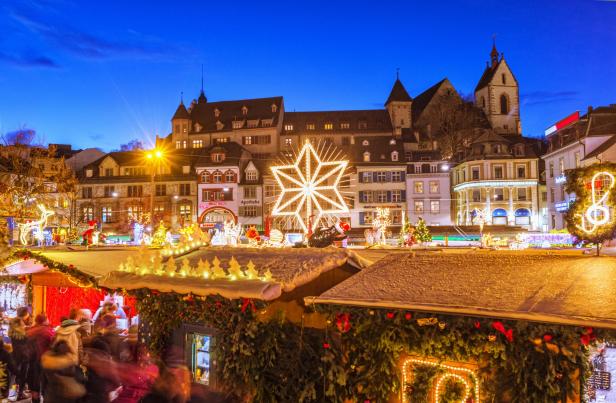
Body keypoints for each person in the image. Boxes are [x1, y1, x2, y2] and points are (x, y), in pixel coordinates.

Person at [27, 313, 55, 403]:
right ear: (45, 320)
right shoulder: (48, 331)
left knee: (34, 385)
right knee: (45, 384)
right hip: (44, 360)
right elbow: (54, 343)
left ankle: (35, 400)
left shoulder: (29, 331)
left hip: (31, 361)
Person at [8, 306, 32, 400]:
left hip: (15, 353)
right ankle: (20, 394)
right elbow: (27, 338)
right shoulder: (24, 328)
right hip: (24, 354)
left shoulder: (13, 325)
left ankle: (10, 393)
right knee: (23, 374)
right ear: (26, 314)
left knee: (14, 373)